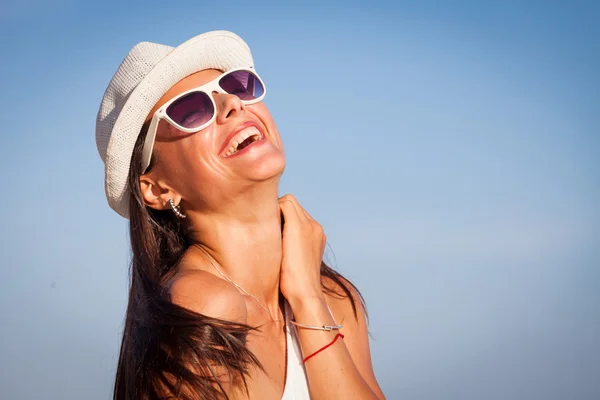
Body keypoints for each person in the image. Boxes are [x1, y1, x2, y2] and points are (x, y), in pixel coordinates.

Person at [96, 30, 385, 400]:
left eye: (235, 85)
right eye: (190, 109)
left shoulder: (334, 297)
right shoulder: (204, 309)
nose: (232, 103)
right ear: (156, 188)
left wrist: (308, 297)